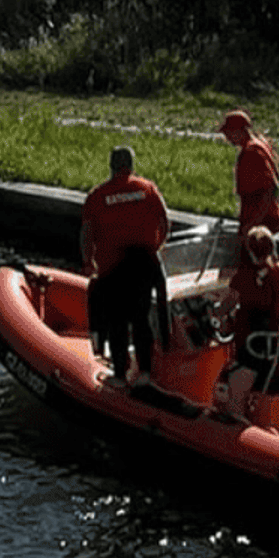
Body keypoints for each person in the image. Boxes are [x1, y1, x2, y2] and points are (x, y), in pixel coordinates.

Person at [79, 145, 171, 386]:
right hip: (144, 263)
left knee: (117, 320)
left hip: (115, 267)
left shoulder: (98, 196)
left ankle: (120, 373)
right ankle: (145, 373)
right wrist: (155, 247)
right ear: (131, 165)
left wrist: (89, 262)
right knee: (141, 318)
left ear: (111, 166)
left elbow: (87, 234)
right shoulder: (147, 189)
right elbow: (165, 221)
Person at [217, 225, 279, 417]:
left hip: (253, 352)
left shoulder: (246, 277)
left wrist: (215, 313)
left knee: (231, 385)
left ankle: (234, 422)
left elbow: (225, 306)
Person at [218, 110, 279, 234]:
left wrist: (252, 224)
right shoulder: (260, 144)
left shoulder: (252, 152)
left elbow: (270, 189)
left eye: (228, 133)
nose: (227, 138)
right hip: (259, 219)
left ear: (239, 130)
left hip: (262, 222)